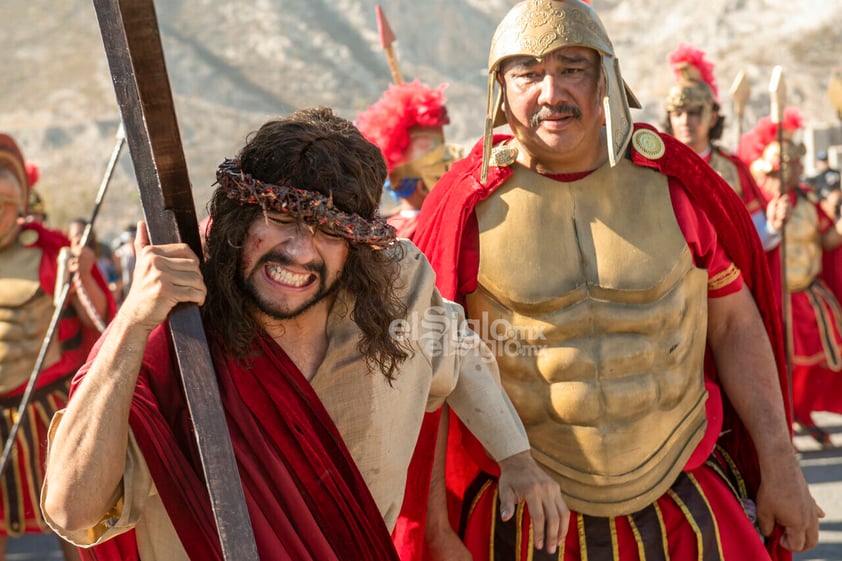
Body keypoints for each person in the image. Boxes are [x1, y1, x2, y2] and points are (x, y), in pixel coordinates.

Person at [40, 107, 567, 560]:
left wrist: (515, 458)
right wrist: (132, 321)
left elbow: (460, 349)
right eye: (278, 214)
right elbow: (72, 507)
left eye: (329, 229)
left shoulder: (397, 289)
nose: (298, 249)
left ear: (358, 248)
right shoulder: (175, 334)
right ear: (236, 219)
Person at [412, 1, 822, 559]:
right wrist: (435, 533)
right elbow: (429, 377)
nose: (551, 93)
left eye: (572, 67)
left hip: (684, 488)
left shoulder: (674, 187)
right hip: (528, 506)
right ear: (500, 91)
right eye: (528, 73)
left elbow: (733, 325)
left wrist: (781, 463)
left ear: (607, 77)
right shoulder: (463, 208)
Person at [0, 133, 113, 561]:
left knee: (72, 516)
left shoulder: (51, 253)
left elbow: (100, 322)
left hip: (45, 413)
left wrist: (81, 274)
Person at [741, 109, 842, 447]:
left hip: (811, 295)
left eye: (799, 164)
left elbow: (826, 240)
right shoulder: (763, 206)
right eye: (792, 165)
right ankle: (788, 417)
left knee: (826, 357)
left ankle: (805, 410)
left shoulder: (810, 200)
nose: (799, 169)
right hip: (779, 298)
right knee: (784, 364)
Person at [663, 43, 788, 252]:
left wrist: (772, 228)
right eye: (678, 113)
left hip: (724, 279)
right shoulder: (658, 167)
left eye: (693, 112)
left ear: (712, 117)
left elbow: (753, 239)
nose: (685, 121)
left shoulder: (733, 169)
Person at [356, 80, 463, 239]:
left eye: (440, 144)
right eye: (426, 146)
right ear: (396, 178)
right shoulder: (401, 237)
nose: (444, 155)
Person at [806, 150, 841, 218]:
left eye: (825, 161)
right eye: (821, 161)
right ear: (817, 163)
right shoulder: (815, 178)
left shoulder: (836, 173)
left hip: (837, 205)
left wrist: (836, 195)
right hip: (824, 207)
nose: (823, 163)